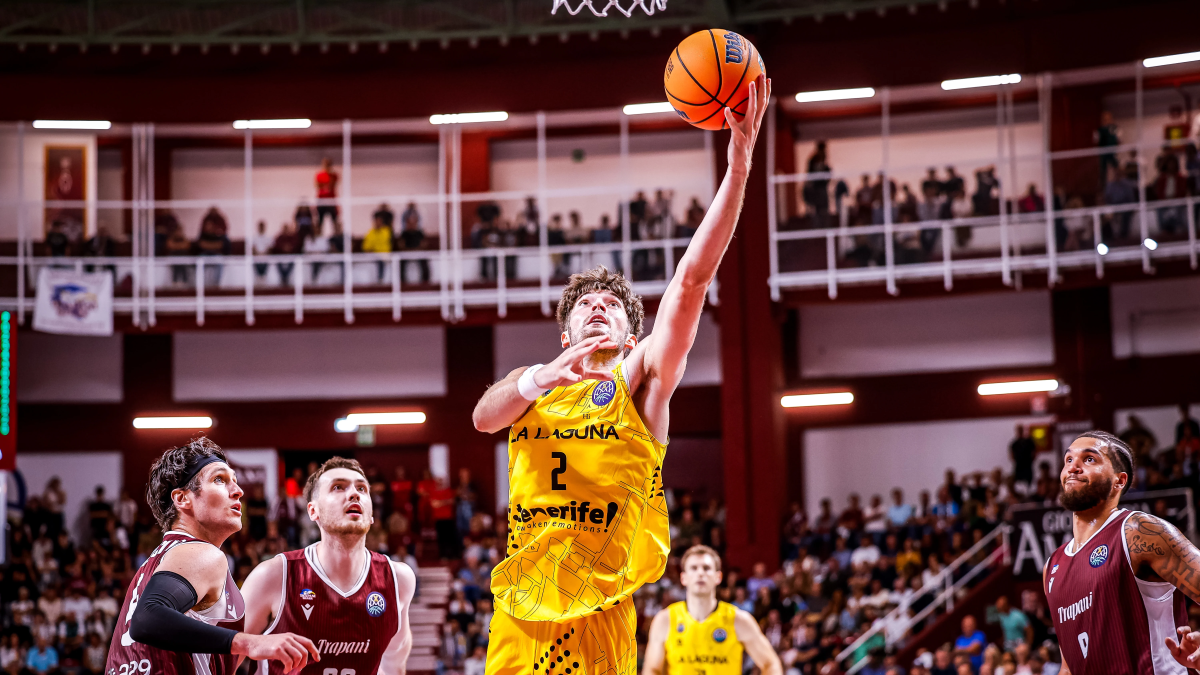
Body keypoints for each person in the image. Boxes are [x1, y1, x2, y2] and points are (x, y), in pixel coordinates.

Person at [473, 75, 770, 675]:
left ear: (632, 337)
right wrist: (537, 378)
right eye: (587, 303)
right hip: (522, 604)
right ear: (566, 333)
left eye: (612, 303)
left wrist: (737, 169)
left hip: (601, 602)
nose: (599, 304)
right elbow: (483, 418)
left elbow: (690, 281)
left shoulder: (638, 378)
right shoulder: (532, 385)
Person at [105, 438, 318, 675]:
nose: (238, 491)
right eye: (220, 480)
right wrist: (251, 642)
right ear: (182, 499)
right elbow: (146, 619)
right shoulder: (202, 553)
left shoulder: (155, 561)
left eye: (235, 482)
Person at [1044, 430, 1200, 673]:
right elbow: (1069, 666)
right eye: (1068, 460)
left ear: (1119, 480)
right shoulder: (1053, 566)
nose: (1073, 467)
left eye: (1089, 459)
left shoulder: (1140, 532)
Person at [241, 457, 415, 675]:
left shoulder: (398, 579)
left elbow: (393, 666)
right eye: (338, 487)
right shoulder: (274, 575)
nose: (354, 494)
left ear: (371, 516)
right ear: (313, 511)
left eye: (362, 488)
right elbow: (222, 661)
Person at [642, 545, 782, 675]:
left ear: (718, 577)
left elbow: (771, 664)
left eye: (707, 568)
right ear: (683, 578)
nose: (700, 573)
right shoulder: (665, 620)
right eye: (694, 568)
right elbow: (652, 670)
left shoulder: (739, 620)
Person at [315, 158, 339, 230]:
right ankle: (318, 238)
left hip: (331, 201)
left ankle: (337, 238)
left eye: (328, 165)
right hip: (322, 200)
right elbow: (317, 185)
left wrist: (329, 175)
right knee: (320, 221)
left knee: (334, 220)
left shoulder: (334, 175)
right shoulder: (319, 175)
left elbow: (332, 185)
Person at [1011, 424, 1036, 492]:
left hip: (1027, 467)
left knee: (1029, 486)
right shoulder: (1014, 443)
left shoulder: (1029, 441)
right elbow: (1012, 456)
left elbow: (1034, 453)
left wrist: (1029, 461)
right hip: (1019, 468)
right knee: (1018, 486)